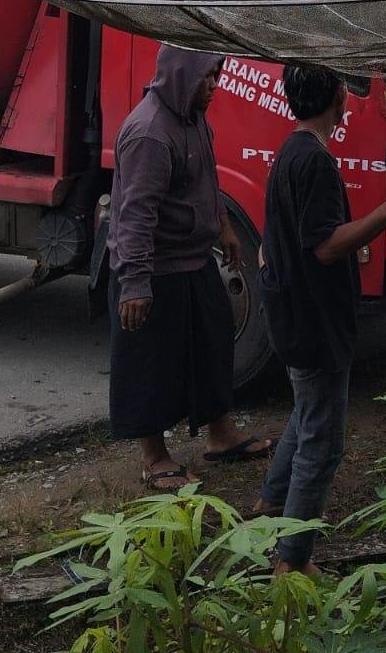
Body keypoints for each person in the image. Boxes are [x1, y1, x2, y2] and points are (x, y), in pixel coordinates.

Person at [256, 65, 386, 576]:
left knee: (306, 417)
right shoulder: (315, 161)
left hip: (294, 315)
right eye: (345, 85)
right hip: (316, 321)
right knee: (323, 443)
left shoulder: (291, 149)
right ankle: (291, 563)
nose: (351, 93)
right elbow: (324, 245)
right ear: (335, 96)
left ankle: (270, 508)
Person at [107, 45, 273, 490]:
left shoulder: (193, 119)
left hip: (193, 258)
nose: (215, 86)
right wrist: (136, 284)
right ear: (182, 76)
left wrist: (223, 228)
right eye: (208, 78)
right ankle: (154, 457)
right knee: (151, 362)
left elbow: (206, 180)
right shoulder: (149, 133)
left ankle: (221, 436)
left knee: (214, 341)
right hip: (154, 267)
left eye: (217, 75)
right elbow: (135, 215)